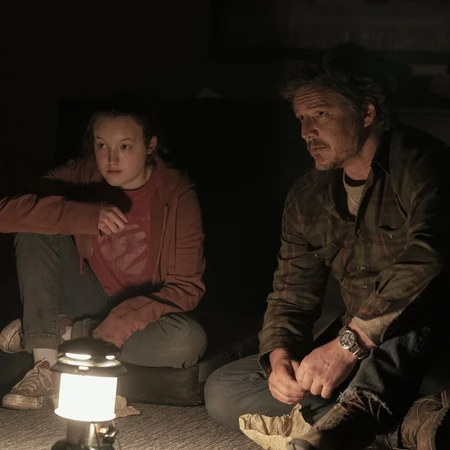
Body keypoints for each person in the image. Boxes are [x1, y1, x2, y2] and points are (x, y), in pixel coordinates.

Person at [204, 45, 450, 450]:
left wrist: (349, 344)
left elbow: (430, 257)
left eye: (320, 114)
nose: (306, 131)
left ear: (366, 113)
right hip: (359, 353)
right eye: (301, 118)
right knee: (225, 388)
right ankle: (412, 426)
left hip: (425, 340)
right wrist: (281, 357)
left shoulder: (422, 163)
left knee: (411, 312)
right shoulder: (307, 195)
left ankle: (347, 425)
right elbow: (291, 293)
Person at [0, 93, 207, 410]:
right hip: (87, 294)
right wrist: (84, 215)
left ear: (149, 145)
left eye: (124, 147)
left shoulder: (177, 192)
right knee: (34, 224)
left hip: (142, 311)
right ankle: (46, 365)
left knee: (187, 341)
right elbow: (6, 213)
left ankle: (60, 332)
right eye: (101, 146)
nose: (111, 160)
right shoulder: (82, 174)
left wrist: (119, 322)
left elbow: (186, 287)